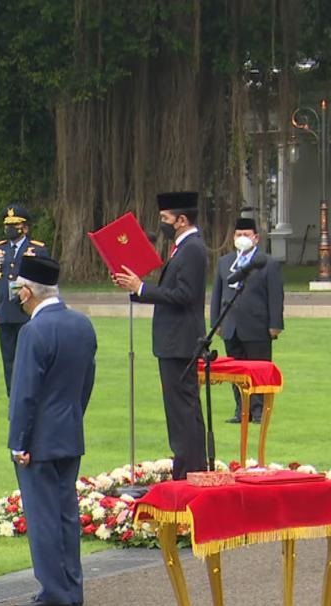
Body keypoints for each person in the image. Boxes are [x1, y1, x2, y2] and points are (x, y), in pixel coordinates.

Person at [7, 255, 96, 606]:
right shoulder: (82, 325)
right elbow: (86, 383)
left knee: (43, 520)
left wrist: (19, 442)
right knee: (66, 517)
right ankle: (71, 590)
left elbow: (24, 393)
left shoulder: (33, 331)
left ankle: (55, 594)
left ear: (28, 292)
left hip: (39, 441)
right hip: (69, 432)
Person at [113, 191, 208, 479]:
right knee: (180, 410)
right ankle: (188, 466)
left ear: (182, 220)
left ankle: (189, 469)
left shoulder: (192, 248)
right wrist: (134, 288)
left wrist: (142, 288)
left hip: (181, 342)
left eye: (166, 218)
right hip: (173, 342)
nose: (162, 223)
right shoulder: (182, 248)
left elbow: (184, 295)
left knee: (183, 411)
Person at [210, 217, 283, 424]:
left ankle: (259, 411)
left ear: (256, 238)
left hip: (257, 326)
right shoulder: (225, 262)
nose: (242, 238)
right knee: (236, 370)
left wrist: (275, 324)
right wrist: (216, 322)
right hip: (230, 326)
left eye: (246, 235)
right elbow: (217, 293)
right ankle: (241, 410)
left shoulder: (267, 263)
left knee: (257, 369)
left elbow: (276, 295)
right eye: (239, 234)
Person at [0, 204, 50, 396]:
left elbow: (45, 281)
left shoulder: (37, 249)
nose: (10, 229)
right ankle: (13, 397)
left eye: (14, 225)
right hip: (5, 312)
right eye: (7, 225)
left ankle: (31, 394)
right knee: (9, 359)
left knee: (29, 357)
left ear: (25, 227)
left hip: (27, 312)